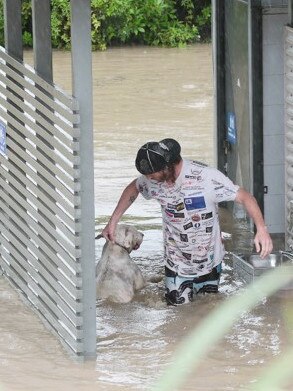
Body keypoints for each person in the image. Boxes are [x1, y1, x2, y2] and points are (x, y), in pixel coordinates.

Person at [102, 138, 273, 305]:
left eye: (152, 175)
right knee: (177, 316)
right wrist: (113, 221)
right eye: (146, 176)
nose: (149, 179)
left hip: (210, 261)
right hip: (176, 264)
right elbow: (134, 187)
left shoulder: (206, 177)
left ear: (167, 167)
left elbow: (245, 197)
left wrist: (262, 229)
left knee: (208, 308)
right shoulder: (151, 180)